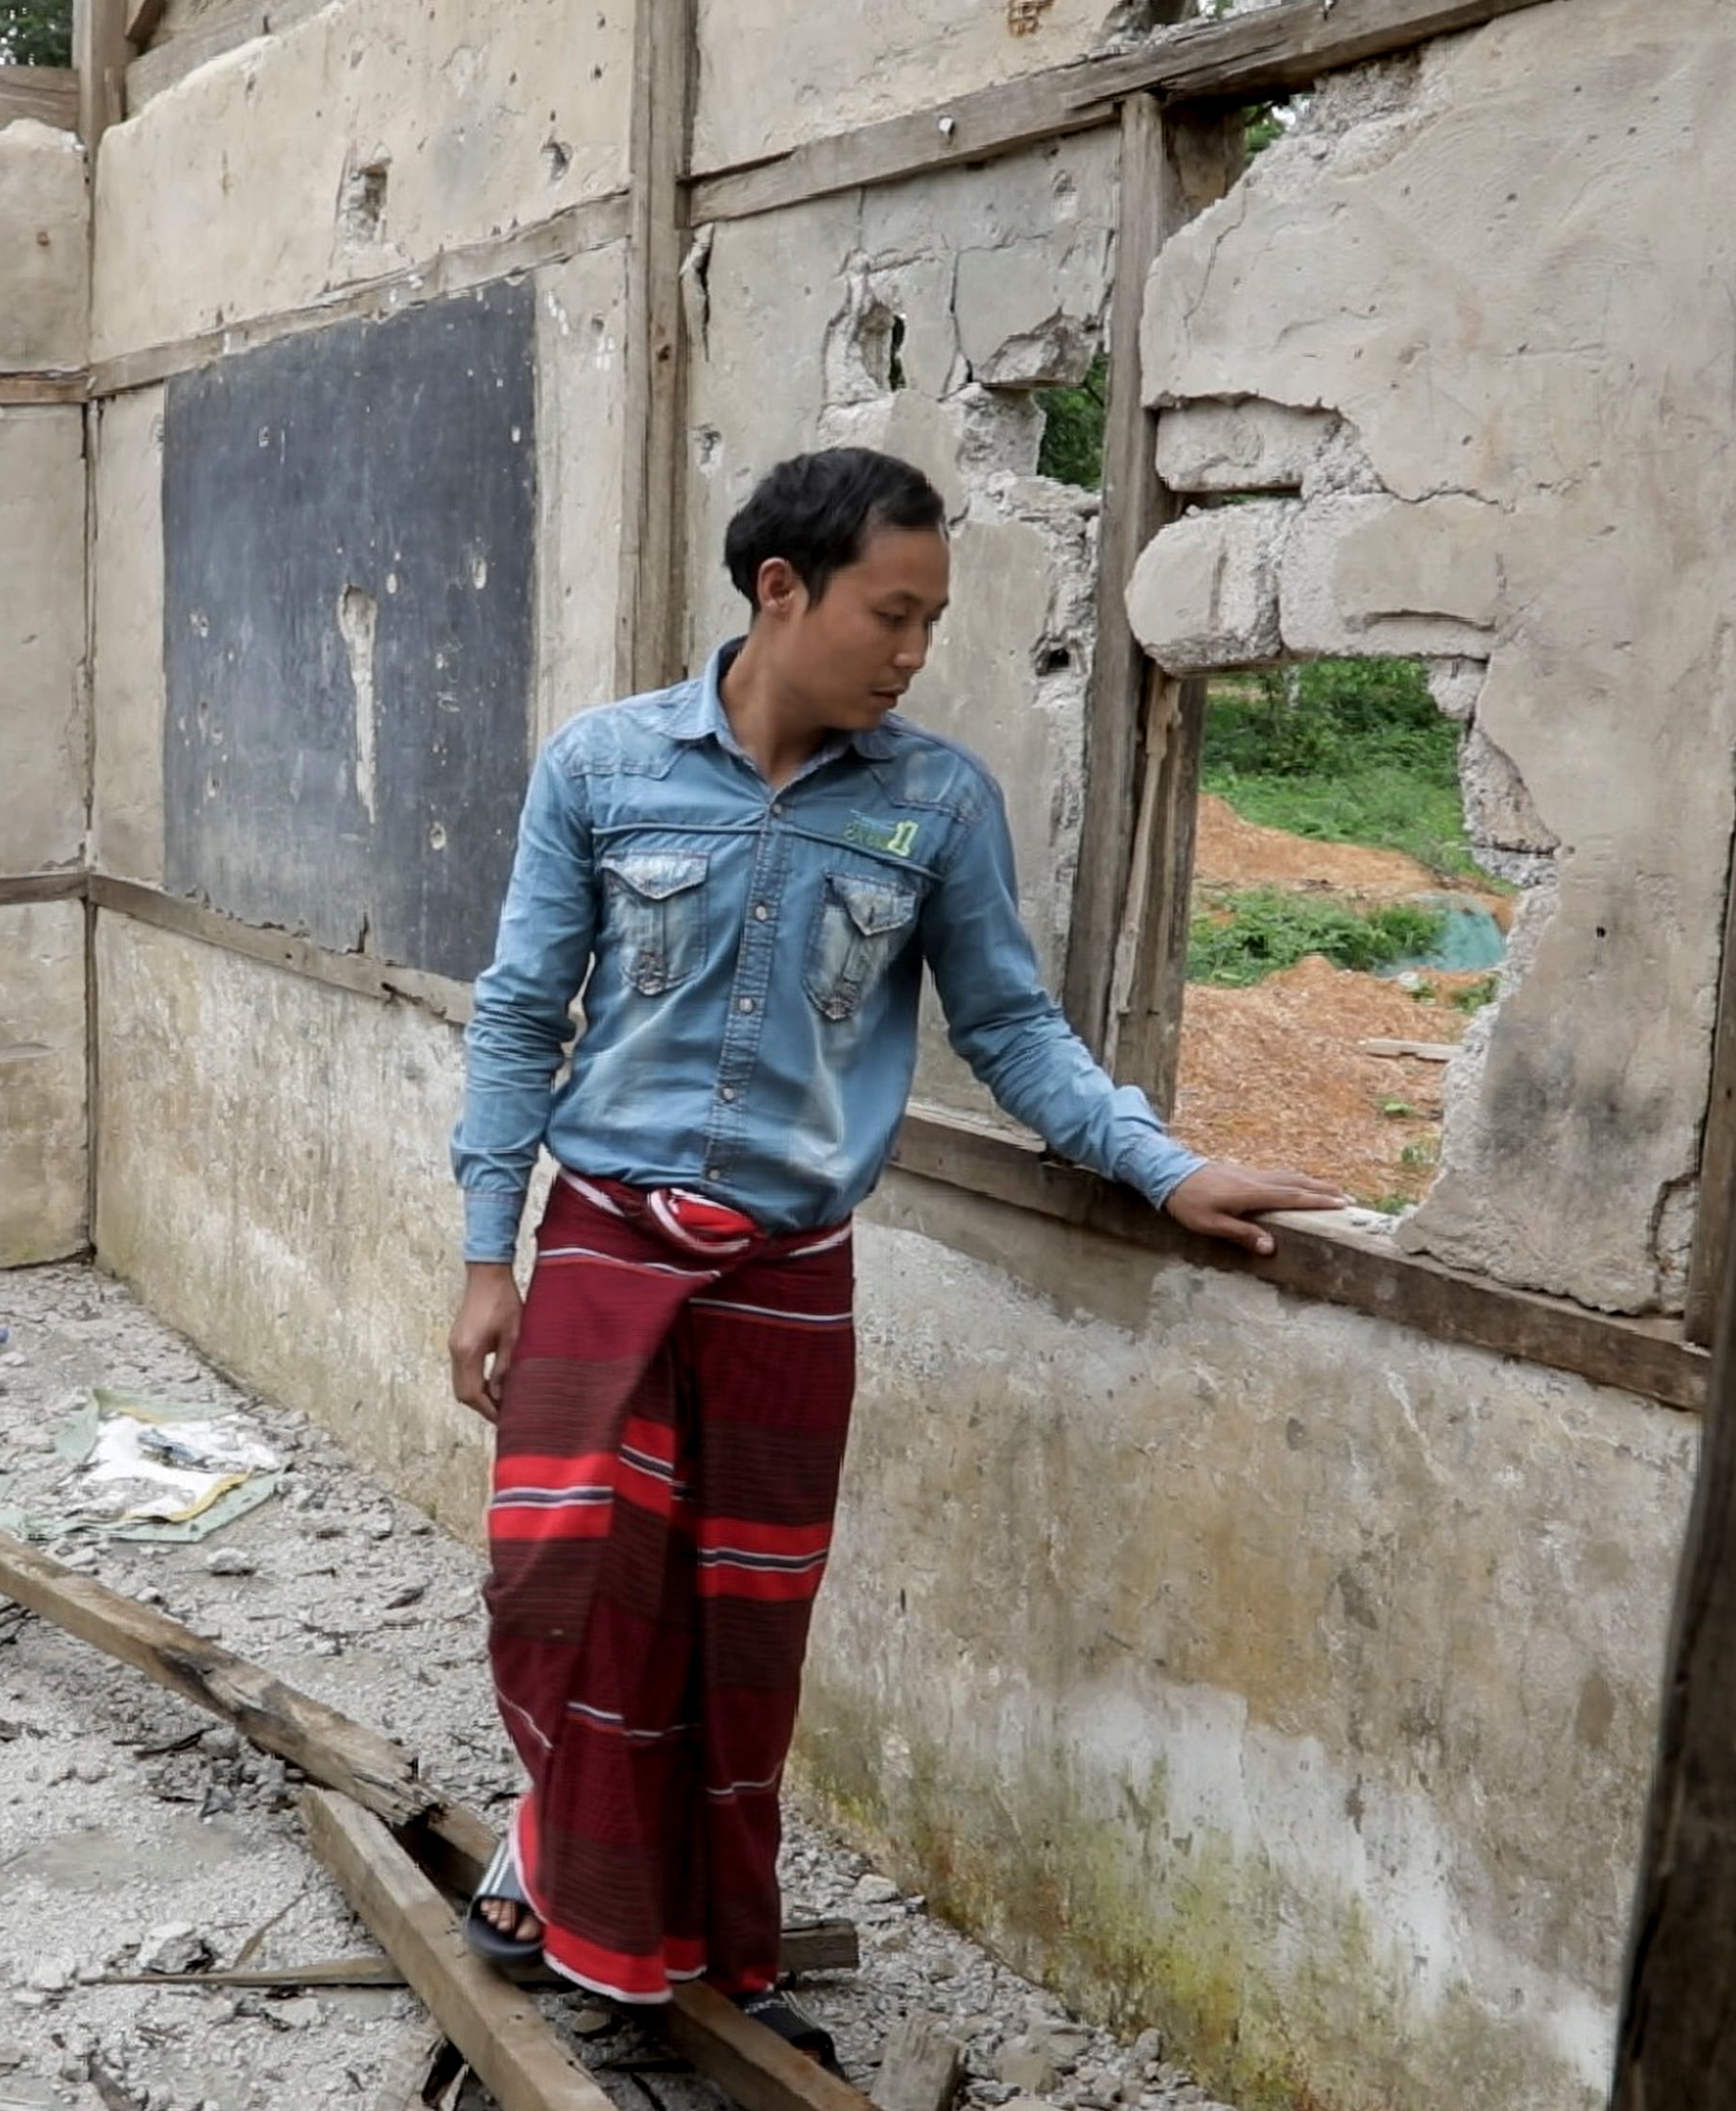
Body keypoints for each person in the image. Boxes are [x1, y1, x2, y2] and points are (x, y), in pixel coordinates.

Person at [446, 446, 1343, 2064]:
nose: (915, 651)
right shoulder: (599, 765)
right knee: (561, 1591)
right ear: (780, 590)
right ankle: (557, 1858)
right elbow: (519, 1012)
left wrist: (1165, 1166)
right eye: (894, 612)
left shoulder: (932, 802)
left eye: (932, 620)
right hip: (598, 1250)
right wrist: (480, 1253)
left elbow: (1008, 1024)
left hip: (786, 1273)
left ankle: (692, 1947)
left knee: (737, 1629)